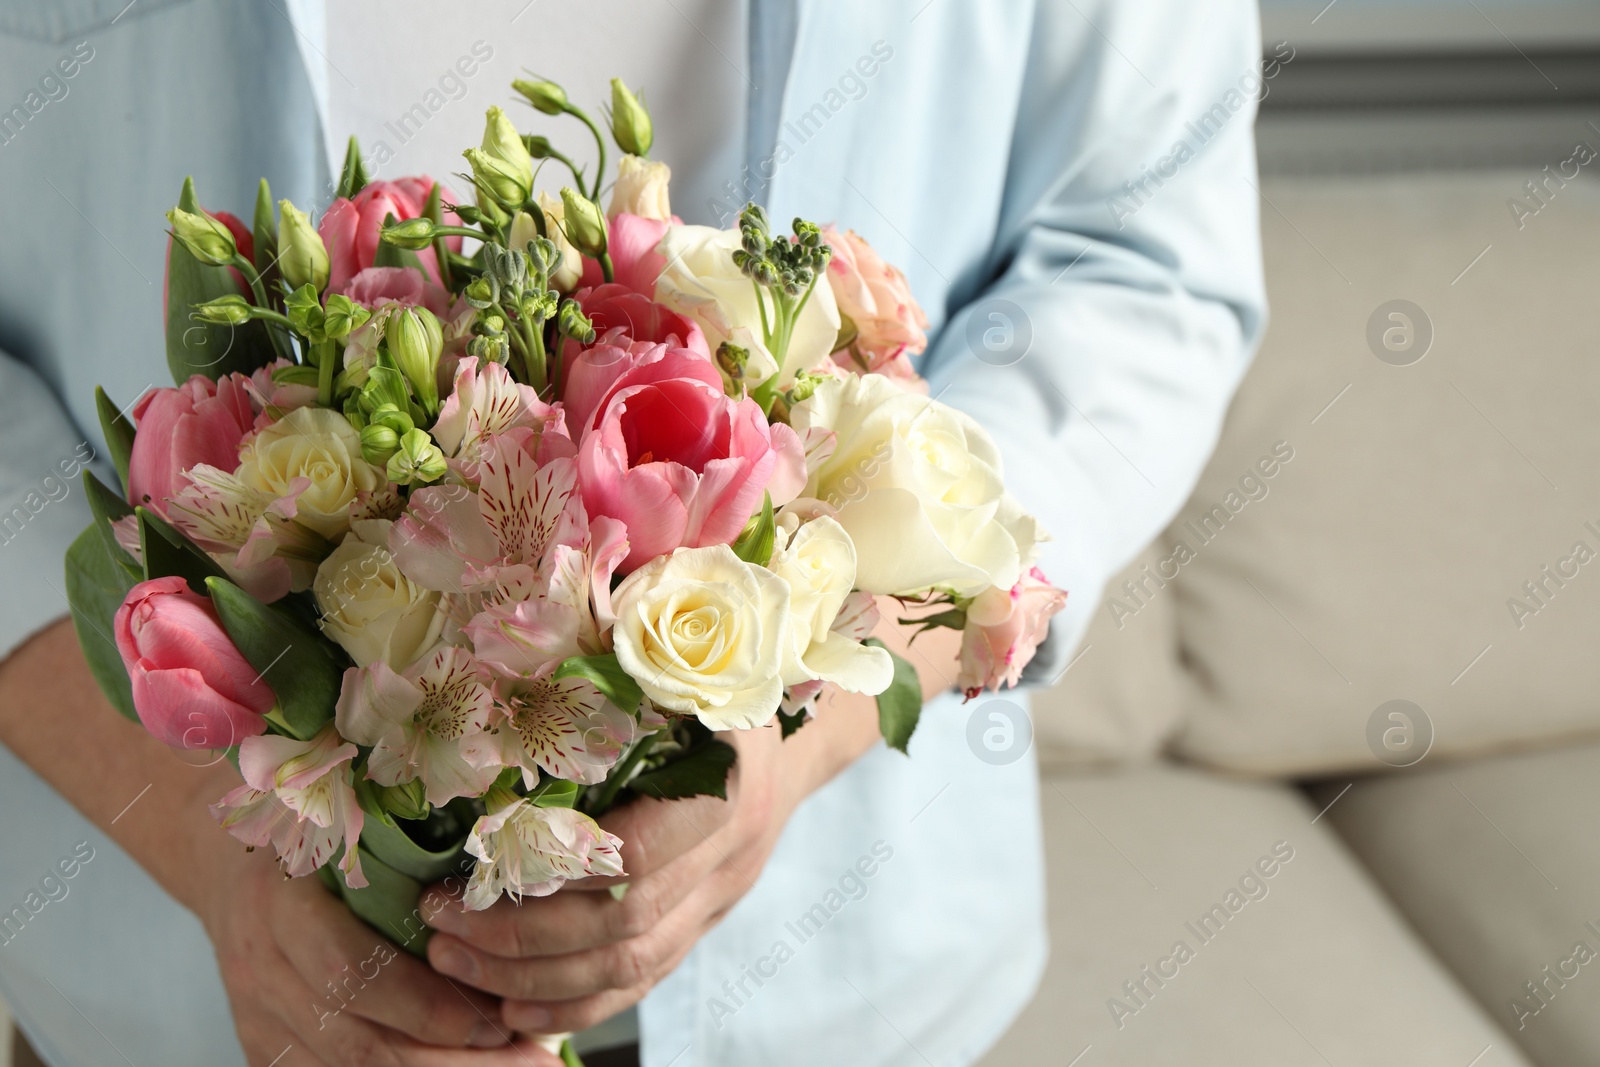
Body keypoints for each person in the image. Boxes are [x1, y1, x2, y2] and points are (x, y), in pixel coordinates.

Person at [0, 1, 1265, 1064]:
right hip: (170, 980)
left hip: (853, 971)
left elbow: (1141, 258)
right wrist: (197, 830)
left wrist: (805, 717)